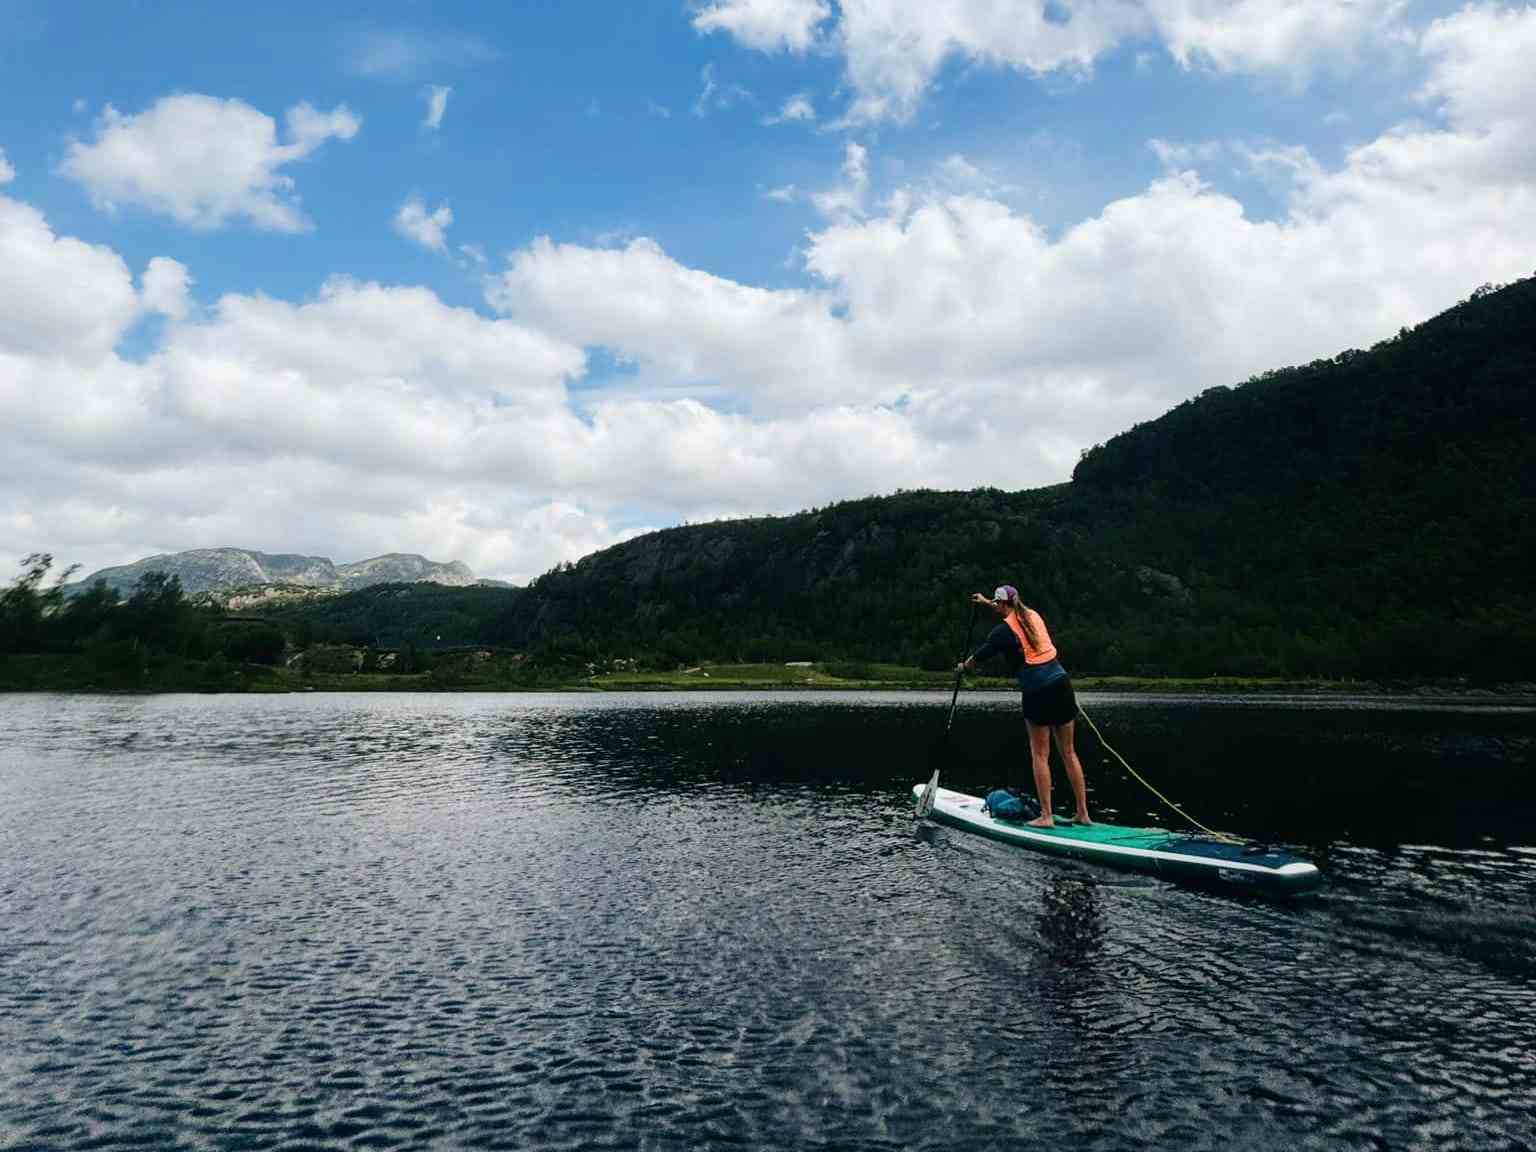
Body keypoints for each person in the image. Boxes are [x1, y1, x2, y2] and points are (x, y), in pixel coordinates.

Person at [957, 585, 1091, 827]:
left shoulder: (1001, 633)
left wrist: (962, 668)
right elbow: (1008, 609)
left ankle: (1046, 816)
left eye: (996, 604)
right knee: (1069, 752)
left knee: (1040, 755)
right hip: (1062, 684)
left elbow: (977, 659)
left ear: (1002, 604)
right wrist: (987, 602)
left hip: (1037, 691)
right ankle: (1083, 813)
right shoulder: (1033, 615)